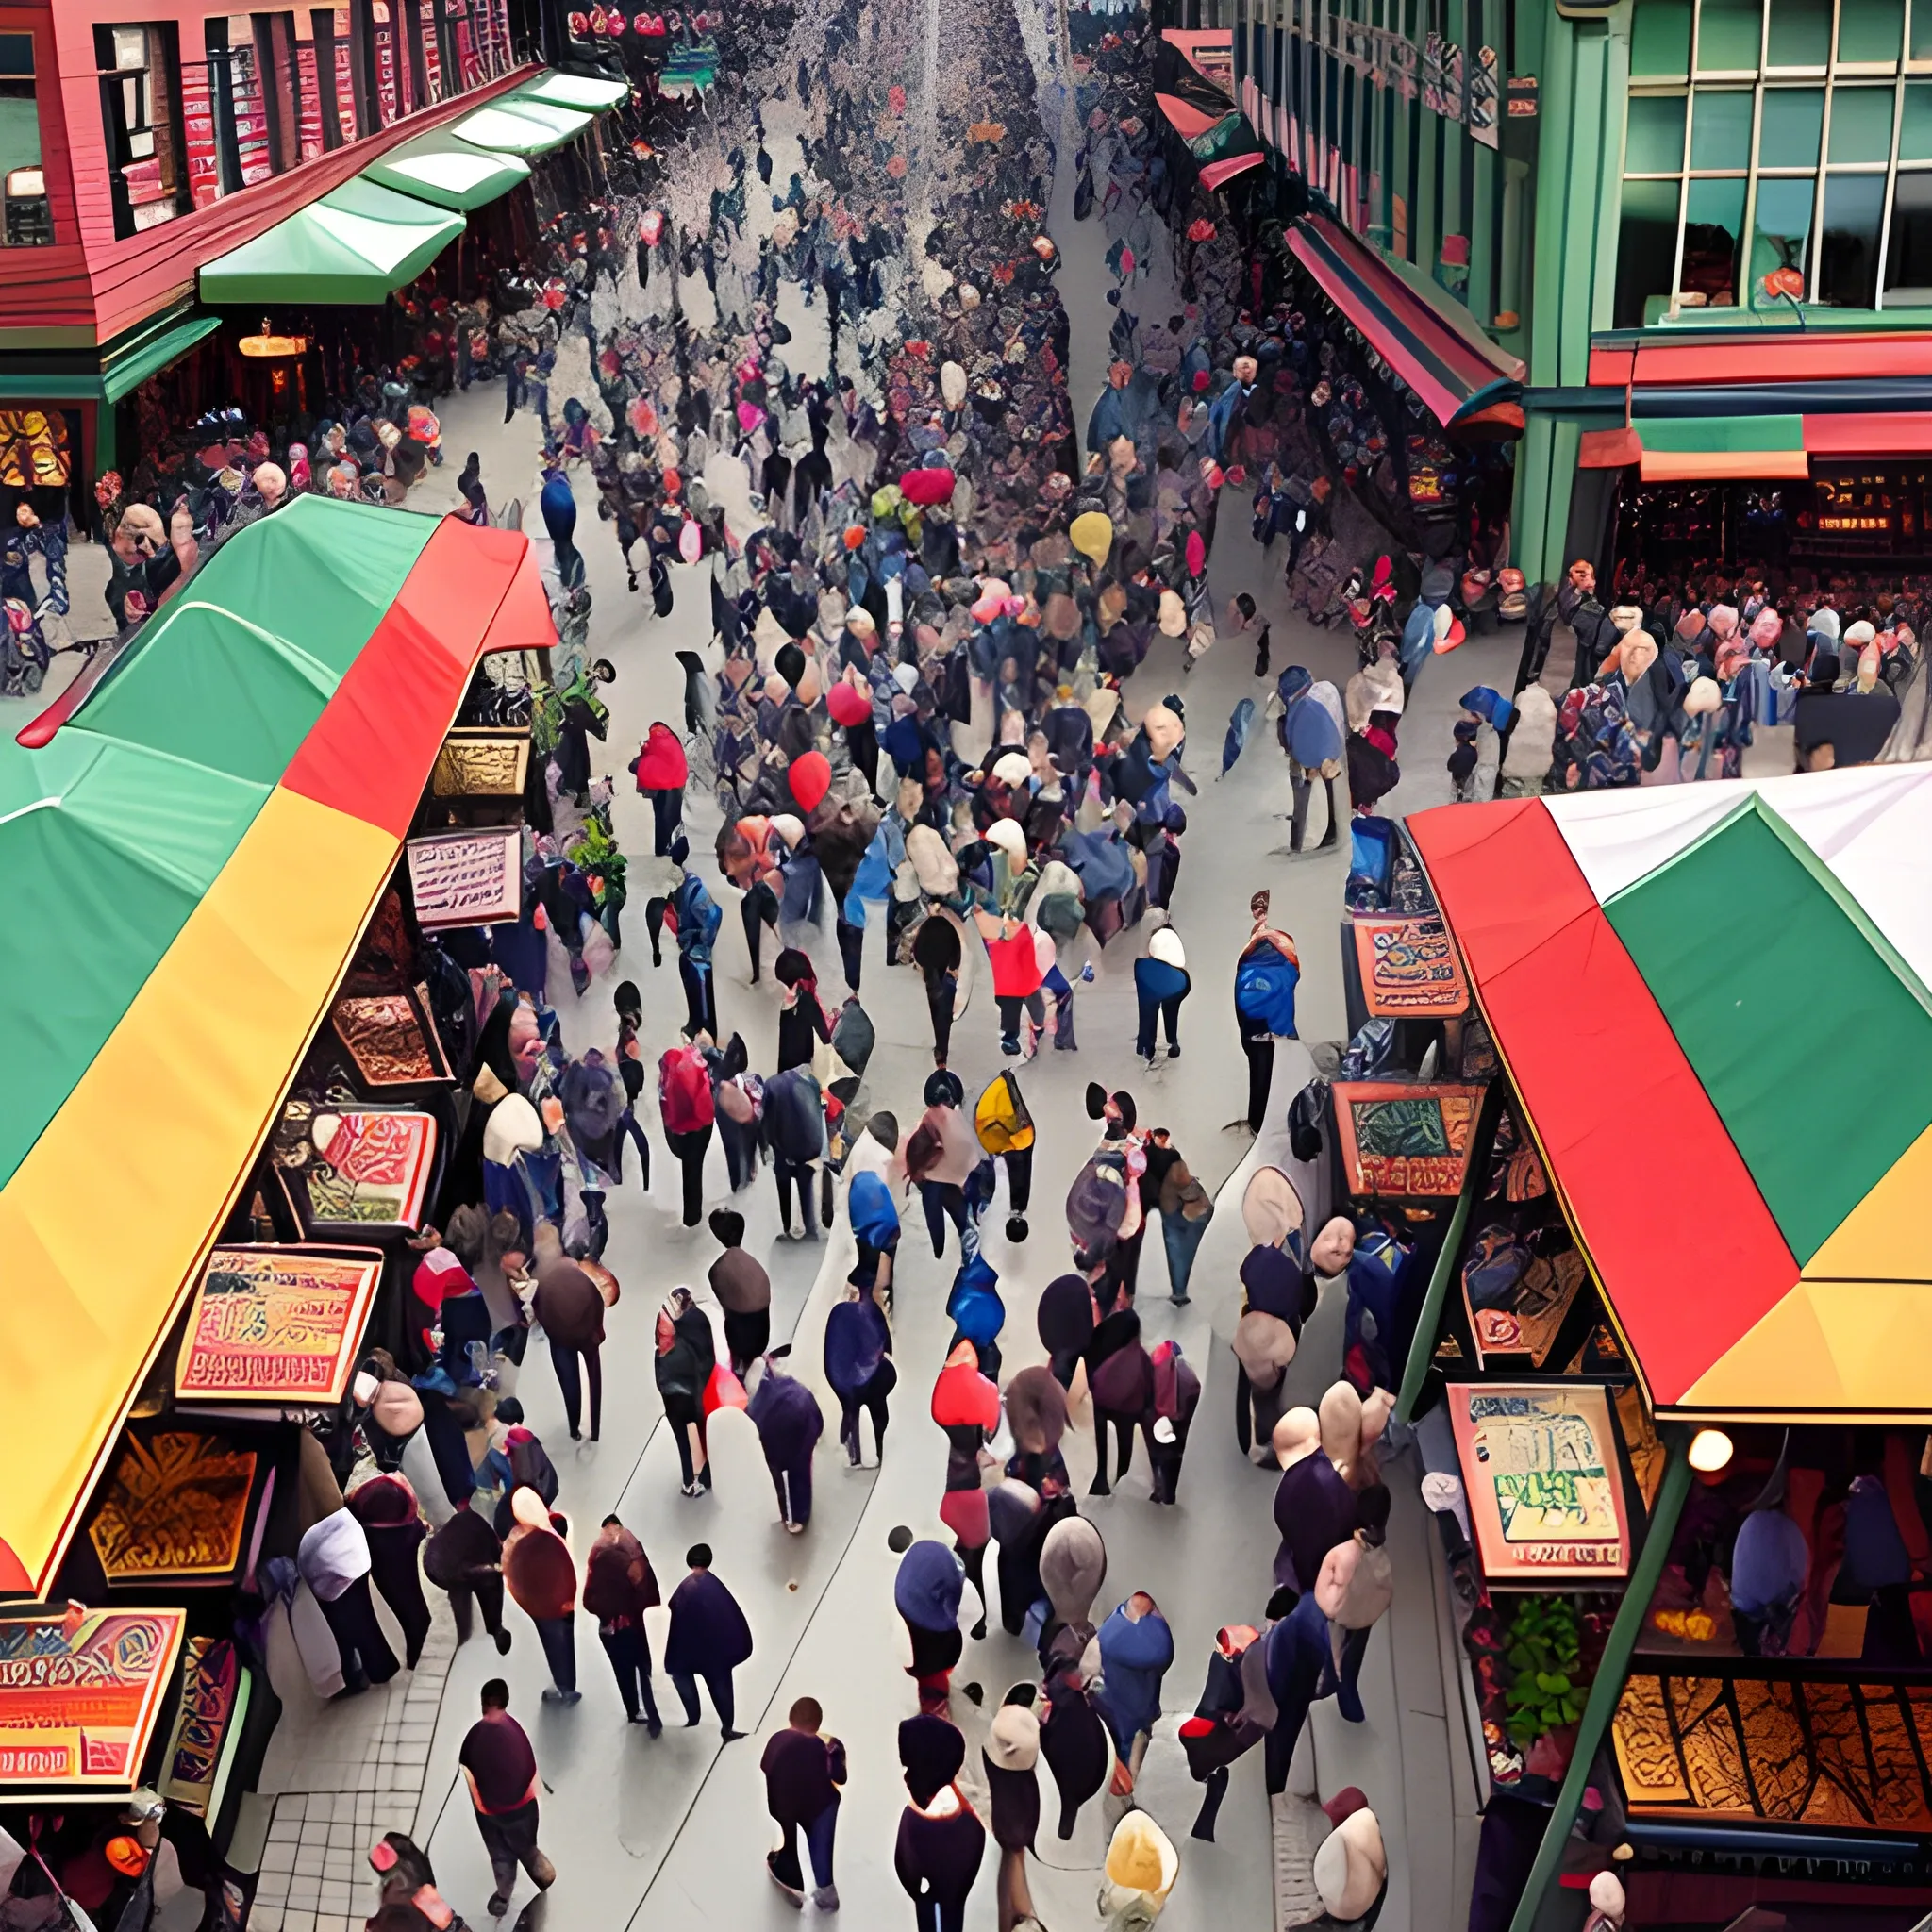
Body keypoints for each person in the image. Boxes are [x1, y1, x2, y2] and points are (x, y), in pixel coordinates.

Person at [458, 1680, 556, 1919]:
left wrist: (482, 1808)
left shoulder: (473, 1738)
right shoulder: (516, 1729)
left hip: (493, 1815)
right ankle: (542, 1872)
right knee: (526, 1846)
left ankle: (503, 1897)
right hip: (526, 1810)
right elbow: (531, 1771)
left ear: (483, 1704)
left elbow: (469, 1777)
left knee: (502, 1857)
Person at [761, 1696, 846, 1910]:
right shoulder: (829, 1746)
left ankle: (793, 1883)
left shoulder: (776, 1740)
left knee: (789, 1841)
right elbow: (840, 1777)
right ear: (817, 1725)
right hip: (820, 1805)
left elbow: (766, 1767)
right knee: (821, 1846)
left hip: (784, 1805)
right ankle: (826, 1891)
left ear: (791, 1719)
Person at [345, 1471, 432, 1671]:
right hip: (388, 1534)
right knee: (415, 1616)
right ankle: (418, 1663)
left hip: (382, 1528)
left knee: (413, 1615)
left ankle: (416, 1662)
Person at [665, 1542, 753, 1739]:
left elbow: (675, 1608)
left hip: (688, 1648)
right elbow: (730, 1617)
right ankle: (726, 1727)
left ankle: (694, 1719)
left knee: (689, 1682)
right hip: (715, 1652)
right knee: (721, 1688)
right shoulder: (714, 1587)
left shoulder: (686, 1587)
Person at [583, 1515, 662, 1731]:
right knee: (643, 1665)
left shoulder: (597, 1560)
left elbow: (588, 1601)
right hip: (635, 1625)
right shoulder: (635, 1556)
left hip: (611, 1630)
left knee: (623, 1672)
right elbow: (648, 1589)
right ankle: (652, 1709)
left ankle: (633, 1711)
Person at [502, 1487, 579, 1705]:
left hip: (545, 1609)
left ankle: (565, 1688)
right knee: (567, 1643)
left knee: (554, 1647)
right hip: (567, 1602)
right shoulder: (558, 1522)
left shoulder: (525, 1544)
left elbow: (516, 1579)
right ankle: (570, 1683)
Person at [530, 1224, 605, 1441]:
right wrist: (597, 1329)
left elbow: (540, 1315)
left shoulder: (542, 1283)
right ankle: (596, 1430)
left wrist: (554, 1332)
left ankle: (574, 1428)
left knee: (569, 1382)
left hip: (561, 1340)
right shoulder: (578, 1268)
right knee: (594, 1378)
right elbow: (598, 1299)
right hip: (588, 1334)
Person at [424, 1504, 512, 1656]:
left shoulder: (472, 1524)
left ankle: (465, 1638)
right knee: (490, 1583)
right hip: (447, 1567)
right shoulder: (488, 1541)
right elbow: (494, 1572)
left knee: (463, 1589)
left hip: (434, 1567)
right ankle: (494, 1628)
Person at [656, 1287, 716, 1496]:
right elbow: (708, 1359)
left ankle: (688, 1480)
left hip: (672, 1396)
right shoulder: (698, 1322)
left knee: (682, 1439)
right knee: (704, 1432)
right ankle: (706, 1476)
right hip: (694, 1392)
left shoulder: (666, 1342)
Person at [659, 1041, 716, 1228]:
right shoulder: (696, 1068)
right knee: (695, 1169)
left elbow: (666, 1105)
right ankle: (693, 1215)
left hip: (680, 1130)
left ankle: (691, 1215)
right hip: (699, 1128)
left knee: (689, 1171)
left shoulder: (670, 1074)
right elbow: (705, 1098)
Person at [708, 1208, 773, 1372]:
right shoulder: (753, 1265)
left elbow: (722, 1297)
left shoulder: (719, 1268)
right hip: (762, 1332)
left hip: (740, 1336)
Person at [1132, 926, 1190, 1064]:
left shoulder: (1141, 967)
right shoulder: (1176, 971)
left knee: (1148, 1011)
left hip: (1151, 986)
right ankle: (1173, 1043)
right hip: (1178, 986)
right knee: (1171, 1011)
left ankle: (1148, 1046)